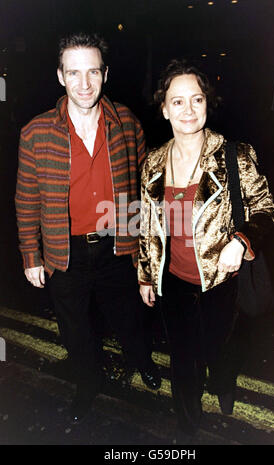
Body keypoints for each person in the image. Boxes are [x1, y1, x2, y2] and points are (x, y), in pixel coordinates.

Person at [15, 32, 161, 424]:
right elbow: (26, 200)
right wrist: (32, 256)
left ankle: (141, 359)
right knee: (75, 328)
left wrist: (143, 249)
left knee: (129, 317)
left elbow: (144, 190)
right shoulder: (35, 133)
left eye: (92, 72)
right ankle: (87, 382)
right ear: (60, 76)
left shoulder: (127, 123)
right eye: (74, 72)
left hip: (117, 245)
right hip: (65, 252)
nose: (84, 83)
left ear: (105, 74)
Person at [138, 59, 274, 440]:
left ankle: (224, 380)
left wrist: (242, 241)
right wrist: (146, 274)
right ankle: (187, 425)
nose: (188, 110)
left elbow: (266, 209)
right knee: (183, 360)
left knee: (218, 350)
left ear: (206, 103)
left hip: (221, 280)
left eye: (196, 99)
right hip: (174, 282)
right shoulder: (151, 162)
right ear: (164, 108)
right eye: (177, 101)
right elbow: (147, 225)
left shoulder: (234, 155)